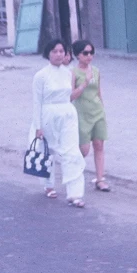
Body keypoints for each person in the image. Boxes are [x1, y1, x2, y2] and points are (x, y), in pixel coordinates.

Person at [29, 38, 86, 208]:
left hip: (67, 114)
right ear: (48, 54)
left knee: (72, 152)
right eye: (55, 51)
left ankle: (75, 194)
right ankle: (48, 185)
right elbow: (36, 102)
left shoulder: (68, 72)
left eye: (62, 51)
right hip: (48, 115)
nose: (59, 54)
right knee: (48, 151)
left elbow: (70, 95)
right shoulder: (41, 76)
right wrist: (38, 126)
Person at [70, 39, 110, 192]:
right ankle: (74, 171)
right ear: (77, 55)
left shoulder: (96, 71)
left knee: (99, 145)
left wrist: (102, 108)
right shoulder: (73, 73)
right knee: (84, 150)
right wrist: (84, 83)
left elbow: (99, 92)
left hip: (97, 112)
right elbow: (71, 96)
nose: (89, 56)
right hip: (82, 114)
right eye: (85, 53)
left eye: (91, 53)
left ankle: (100, 179)